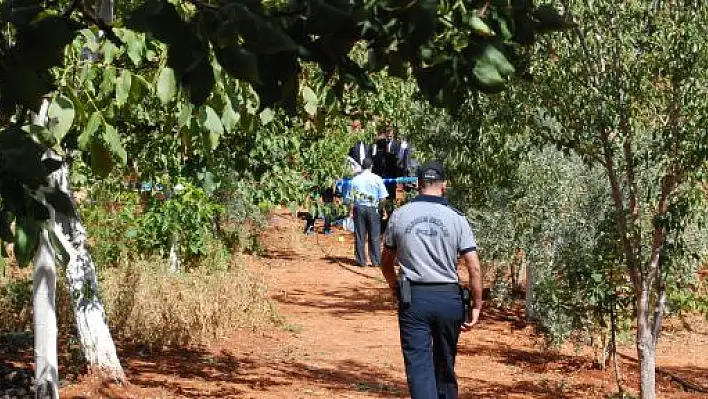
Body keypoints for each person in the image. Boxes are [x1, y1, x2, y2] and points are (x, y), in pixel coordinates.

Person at [380, 160, 483, 399]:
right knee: (445, 364)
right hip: (449, 299)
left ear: (417, 184)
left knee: (419, 367)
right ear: (443, 186)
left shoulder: (400, 215)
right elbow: (474, 267)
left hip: (414, 299)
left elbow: (386, 262)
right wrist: (477, 304)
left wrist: (395, 288)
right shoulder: (457, 218)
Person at [348, 157, 388, 267]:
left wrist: (350, 211)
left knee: (360, 235)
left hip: (359, 208)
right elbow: (383, 197)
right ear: (371, 166)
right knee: (374, 235)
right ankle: (376, 261)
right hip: (373, 208)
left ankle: (361, 261)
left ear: (362, 166)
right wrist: (381, 208)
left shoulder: (355, 179)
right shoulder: (377, 178)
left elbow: (351, 198)